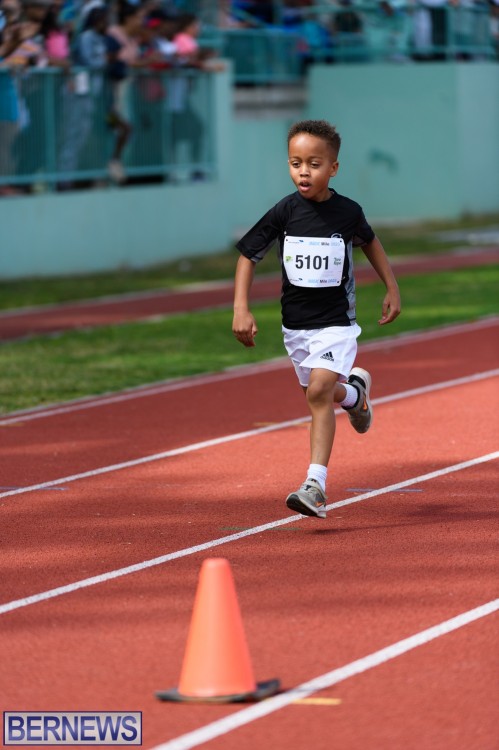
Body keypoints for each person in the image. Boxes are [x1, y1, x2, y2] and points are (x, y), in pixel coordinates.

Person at [232, 119, 401, 519]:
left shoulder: (347, 212)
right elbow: (248, 256)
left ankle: (315, 486)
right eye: (295, 164)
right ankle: (355, 395)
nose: (303, 172)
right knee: (320, 394)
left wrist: (391, 287)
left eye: (313, 164)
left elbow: (369, 242)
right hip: (296, 327)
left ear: (333, 168)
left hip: (337, 323)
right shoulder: (284, 212)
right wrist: (241, 307)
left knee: (318, 393)